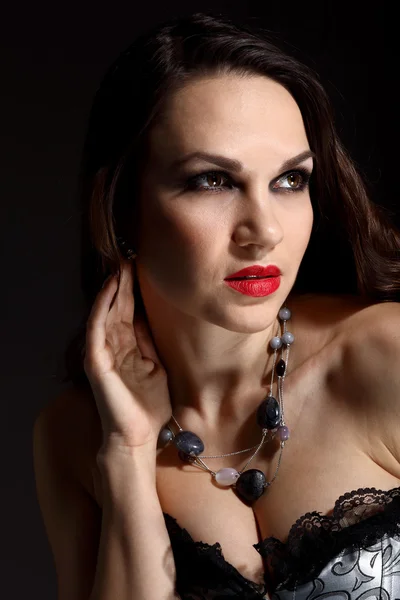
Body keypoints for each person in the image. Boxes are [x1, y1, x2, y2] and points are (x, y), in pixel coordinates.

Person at [33, 11, 400, 600]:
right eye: (213, 181)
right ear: (123, 208)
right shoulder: (74, 435)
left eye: (289, 181)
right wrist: (127, 457)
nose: (264, 231)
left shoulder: (386, 356)